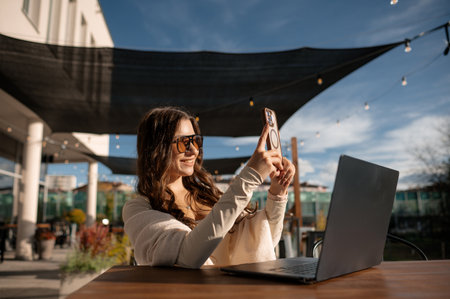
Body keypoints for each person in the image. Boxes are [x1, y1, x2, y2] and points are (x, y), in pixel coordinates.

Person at [122, 107, 295, 268]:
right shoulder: (138, 209)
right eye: (183, 142)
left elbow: (264, 239)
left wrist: (277, 192)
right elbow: (187, 256)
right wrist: (250, 177)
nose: (193, 150)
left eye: (195, 141)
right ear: (156, 148)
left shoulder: (208, 195)